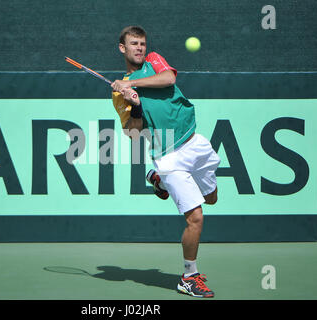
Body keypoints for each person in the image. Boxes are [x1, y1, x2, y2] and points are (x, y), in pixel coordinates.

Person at [111, 26, 220, 298]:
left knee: (212, 198)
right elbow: (132, 133)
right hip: (168, 156)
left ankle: (157, 181)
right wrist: (134, 104)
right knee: (196, 218)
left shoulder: (154, 62)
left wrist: (132, 84)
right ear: (122, 48)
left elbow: (169, 79)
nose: (139, 48)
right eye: (133, 44)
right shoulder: (118, 92)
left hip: (194, 142)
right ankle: (189, 276)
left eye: (142, 43)